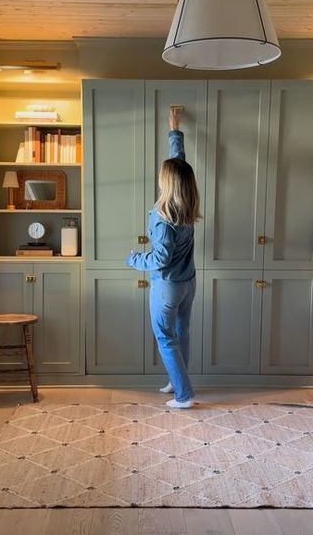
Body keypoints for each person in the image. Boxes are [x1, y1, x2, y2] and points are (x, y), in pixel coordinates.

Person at [126, 107, 201, 409]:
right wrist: (175, 131)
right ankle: (176, 380)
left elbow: (159, 258)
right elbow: (179, 163)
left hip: (168, 285)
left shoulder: (162, 217)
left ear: (167, 183)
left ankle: (184, 394)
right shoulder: (184, 203)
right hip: (188, 283)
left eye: (161, 174)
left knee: (164, 335)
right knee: (181, 331)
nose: (159, 176)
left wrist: (134, 260)